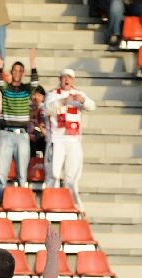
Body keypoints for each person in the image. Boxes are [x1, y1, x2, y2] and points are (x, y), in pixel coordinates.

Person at [0, 51, 39, 191]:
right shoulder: (6, 88)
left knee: (22, 174)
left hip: (22, 135)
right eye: (15, 70)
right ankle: (0, 198)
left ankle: (21, 200)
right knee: (1, 174)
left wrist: (33, 64)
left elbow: (35, 83)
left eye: (20, 70)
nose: (17, 73)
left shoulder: (26, 90)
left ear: (23, 73)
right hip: (6, 134)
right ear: (11, 72)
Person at [45, 68, 96, 211]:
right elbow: (46, 109)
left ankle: (73, 205)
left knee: (72, 175)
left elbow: (92, 106)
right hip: (57, 139)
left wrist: (83, 100)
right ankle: (51, 204)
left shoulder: (79, 93)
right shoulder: (53, 94)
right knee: (54, 174)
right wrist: (64, 101)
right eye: (64, 77)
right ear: (60, 79)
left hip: (73, 140)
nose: (66, 80)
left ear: (73, 80)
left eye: (69, 78)